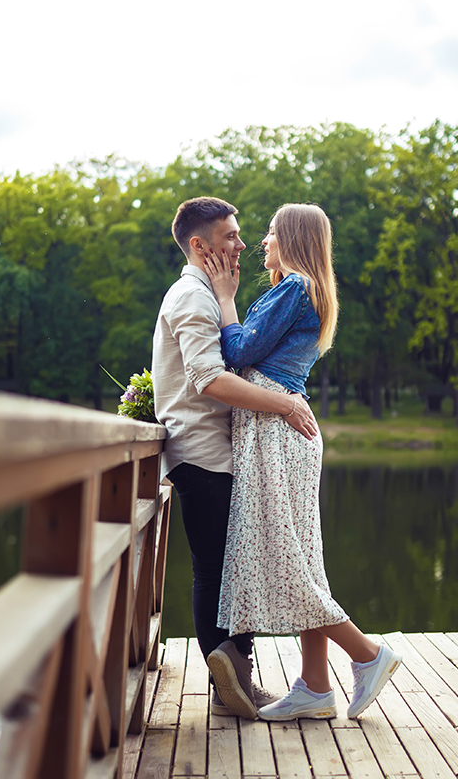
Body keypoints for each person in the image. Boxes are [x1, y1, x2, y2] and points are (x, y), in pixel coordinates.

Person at [204, 202, 403, 720]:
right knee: (303, 559)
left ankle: (368, 654)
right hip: (279, 427)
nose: (262, 243)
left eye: (269, 233)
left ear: (291, 238)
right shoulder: (303, 290)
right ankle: (315, 687)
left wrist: (225, 300)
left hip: (275, 429)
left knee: (285, 561)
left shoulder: (292, 288)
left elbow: (241, 353)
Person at [151, 197, 319, 720]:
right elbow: (211, 378)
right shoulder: (193, 297)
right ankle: (232, 687)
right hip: (204, 454)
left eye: (244, 235)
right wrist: (287, 403)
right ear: (200, 246)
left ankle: (235, 680)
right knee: (217, 570)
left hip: (221, 453)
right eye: (229, 237)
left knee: (229, 568)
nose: (242, 245)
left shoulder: (206, 294)